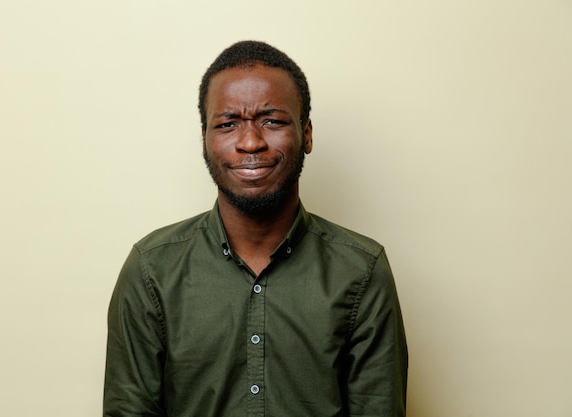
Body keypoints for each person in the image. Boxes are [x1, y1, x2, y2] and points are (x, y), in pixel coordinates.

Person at [103, 40, 408, 417]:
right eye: (228, 124)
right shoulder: (151, 271)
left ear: (307, 134)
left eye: (273, 121)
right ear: (204, 140)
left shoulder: (361, 271)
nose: (250, 142)